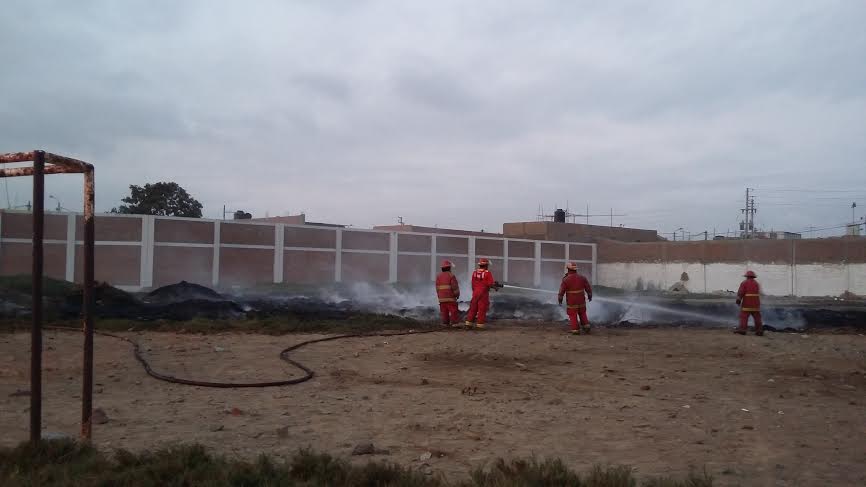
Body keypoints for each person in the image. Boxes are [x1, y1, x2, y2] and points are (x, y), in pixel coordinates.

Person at [558, 262, 593, 335]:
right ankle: (586, 327)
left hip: (572, 301)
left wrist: (560, 300)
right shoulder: (582, 278)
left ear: (568, 269)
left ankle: (575, 330)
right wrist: (590, 295)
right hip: (581, 300)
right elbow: (588, 288)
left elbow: (561, 291)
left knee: (572, 314)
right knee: (582, 313)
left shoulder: (566, 279)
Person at [465, 258, 500, 329]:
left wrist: (474, 291)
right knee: (482, 309)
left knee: (473, 308)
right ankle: (479, 325)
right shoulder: (487, 273)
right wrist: (495, 287)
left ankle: (468, 324)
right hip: (483, 294)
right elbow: (490, 284)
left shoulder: (474, 272)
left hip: (475, 293)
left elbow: (472, 283)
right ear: (486, 265)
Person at [735, 270, 763, 336]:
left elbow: (741, 292)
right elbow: (759, 293)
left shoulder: (744, 283)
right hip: (756, 304)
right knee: (757, 317)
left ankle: (742, 330)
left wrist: (738, 300)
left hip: (747, 303)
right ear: (753, 277)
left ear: (747, 276)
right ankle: (759, 331)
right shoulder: (756, 283)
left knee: (744, 317)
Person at [435, 260, 461, 326]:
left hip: (442, 298)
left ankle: (445, 323)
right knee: (453, 311)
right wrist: (457, 294)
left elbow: (437, 288)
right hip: (450, 298)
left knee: (444, 312)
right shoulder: (451, 276)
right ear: (449, 268)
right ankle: (454, 323)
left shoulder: (438, 276)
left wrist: (439, 296)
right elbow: (454, 287)